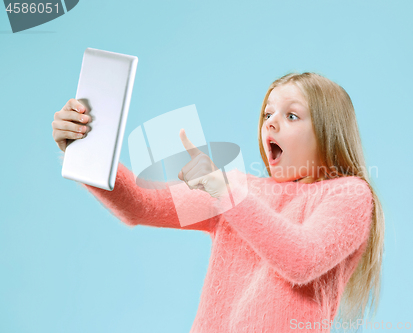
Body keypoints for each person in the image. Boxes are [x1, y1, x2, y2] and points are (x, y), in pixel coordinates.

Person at [52, 72, 384, 333]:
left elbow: (301, 259)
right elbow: (142, 205)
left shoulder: (349, 194)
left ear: (328, 131)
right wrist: (86, 150)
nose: (270, 122)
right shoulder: (237, 188)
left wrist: (223, 191)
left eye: (292, 116)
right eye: (267, 113)